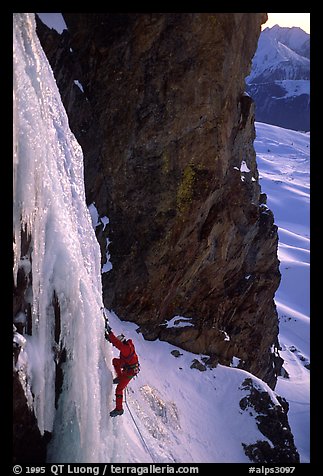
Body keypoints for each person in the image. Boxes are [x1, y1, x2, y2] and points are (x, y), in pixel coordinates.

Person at [104, 321, 140, 417]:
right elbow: (117, 343)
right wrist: (109, 338)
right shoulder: (127, 346)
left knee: (119, 389)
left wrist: (110, 333)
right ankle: (119, 377)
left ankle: (119, 409)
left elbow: (117, 343)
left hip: (130, 372)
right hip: (128, 366)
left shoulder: (126, 349)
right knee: (115, 361)